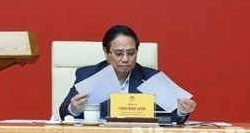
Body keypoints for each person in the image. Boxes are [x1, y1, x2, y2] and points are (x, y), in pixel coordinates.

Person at [59, 25, 196, 123]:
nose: (125, 59)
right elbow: (64, 112)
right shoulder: (88, 75)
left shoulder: (150, 78)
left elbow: (169, 118)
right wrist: (74, 109)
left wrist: (181, 111)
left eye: (131, 53)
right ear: (106, 52)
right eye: (119, 53)